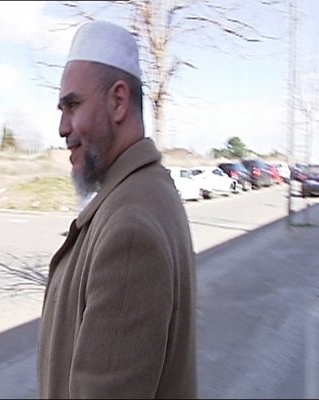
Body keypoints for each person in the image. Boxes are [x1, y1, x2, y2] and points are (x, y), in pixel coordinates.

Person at [37, 20, 198, 399]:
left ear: (118, 101)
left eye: (72, 105)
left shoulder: (129, 231)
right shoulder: (143, 192)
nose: (62, 128)